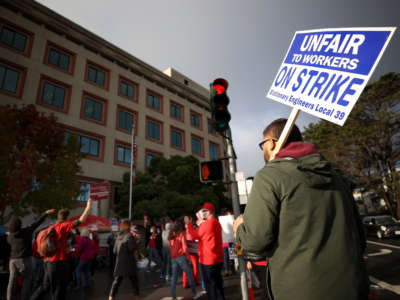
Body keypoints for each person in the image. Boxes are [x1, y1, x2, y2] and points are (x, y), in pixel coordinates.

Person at [234, 119, 369, 300]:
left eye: (263, 144)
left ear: (272, 143)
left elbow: (254, 242)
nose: (263, 150)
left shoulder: (269, 176)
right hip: (352, 286)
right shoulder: (337, 177)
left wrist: (239, 229)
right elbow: (360, 238)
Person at [43, 199, 92, 300]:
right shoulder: (63, 225)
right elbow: (80, 220)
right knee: (61, 289)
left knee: (54, 289)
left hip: (49, 261)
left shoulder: (53, 226)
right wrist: (88, 206)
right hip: (60, 261)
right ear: (67, 217)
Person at [6, 209, 55, 300]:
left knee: (12, 282)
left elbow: (11, 235)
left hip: (13, 261)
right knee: (26, 281)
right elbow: (37, 223)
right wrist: (45, 213)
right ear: (20, 225)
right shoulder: (26, 231)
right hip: (25, 260)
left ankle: (9, 298)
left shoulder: (9, 237)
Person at [185, 203, 225, 300]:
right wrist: (201, 223)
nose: (202, 213)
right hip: (217, 259)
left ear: (209, 211)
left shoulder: (207, 224)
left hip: (208, 260)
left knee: (210, 287)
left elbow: (190, 236)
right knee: (218, 285)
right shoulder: (216, 222)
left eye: (204, 211)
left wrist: (189, 224)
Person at [168, 220, 202, 300]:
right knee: (189, 274)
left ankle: (173, 295)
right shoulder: (181, 234)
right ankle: (194, 291)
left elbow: (170, 247)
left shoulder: (170, 236)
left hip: (173, 258)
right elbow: (185, 247)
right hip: (181, 257)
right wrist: (188, 258)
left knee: (174, 277)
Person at [109, 219, 139, 300]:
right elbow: (132, 249)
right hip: (129, 263)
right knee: (134, 282)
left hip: (120, 263)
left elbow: (114, 251)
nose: (120, 226)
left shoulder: (118, 237)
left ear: (126, 226)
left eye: (121, 225)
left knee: (117, 282)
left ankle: (111, 298)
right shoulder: (130, 236)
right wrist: (137, 241)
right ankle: (137, 298)